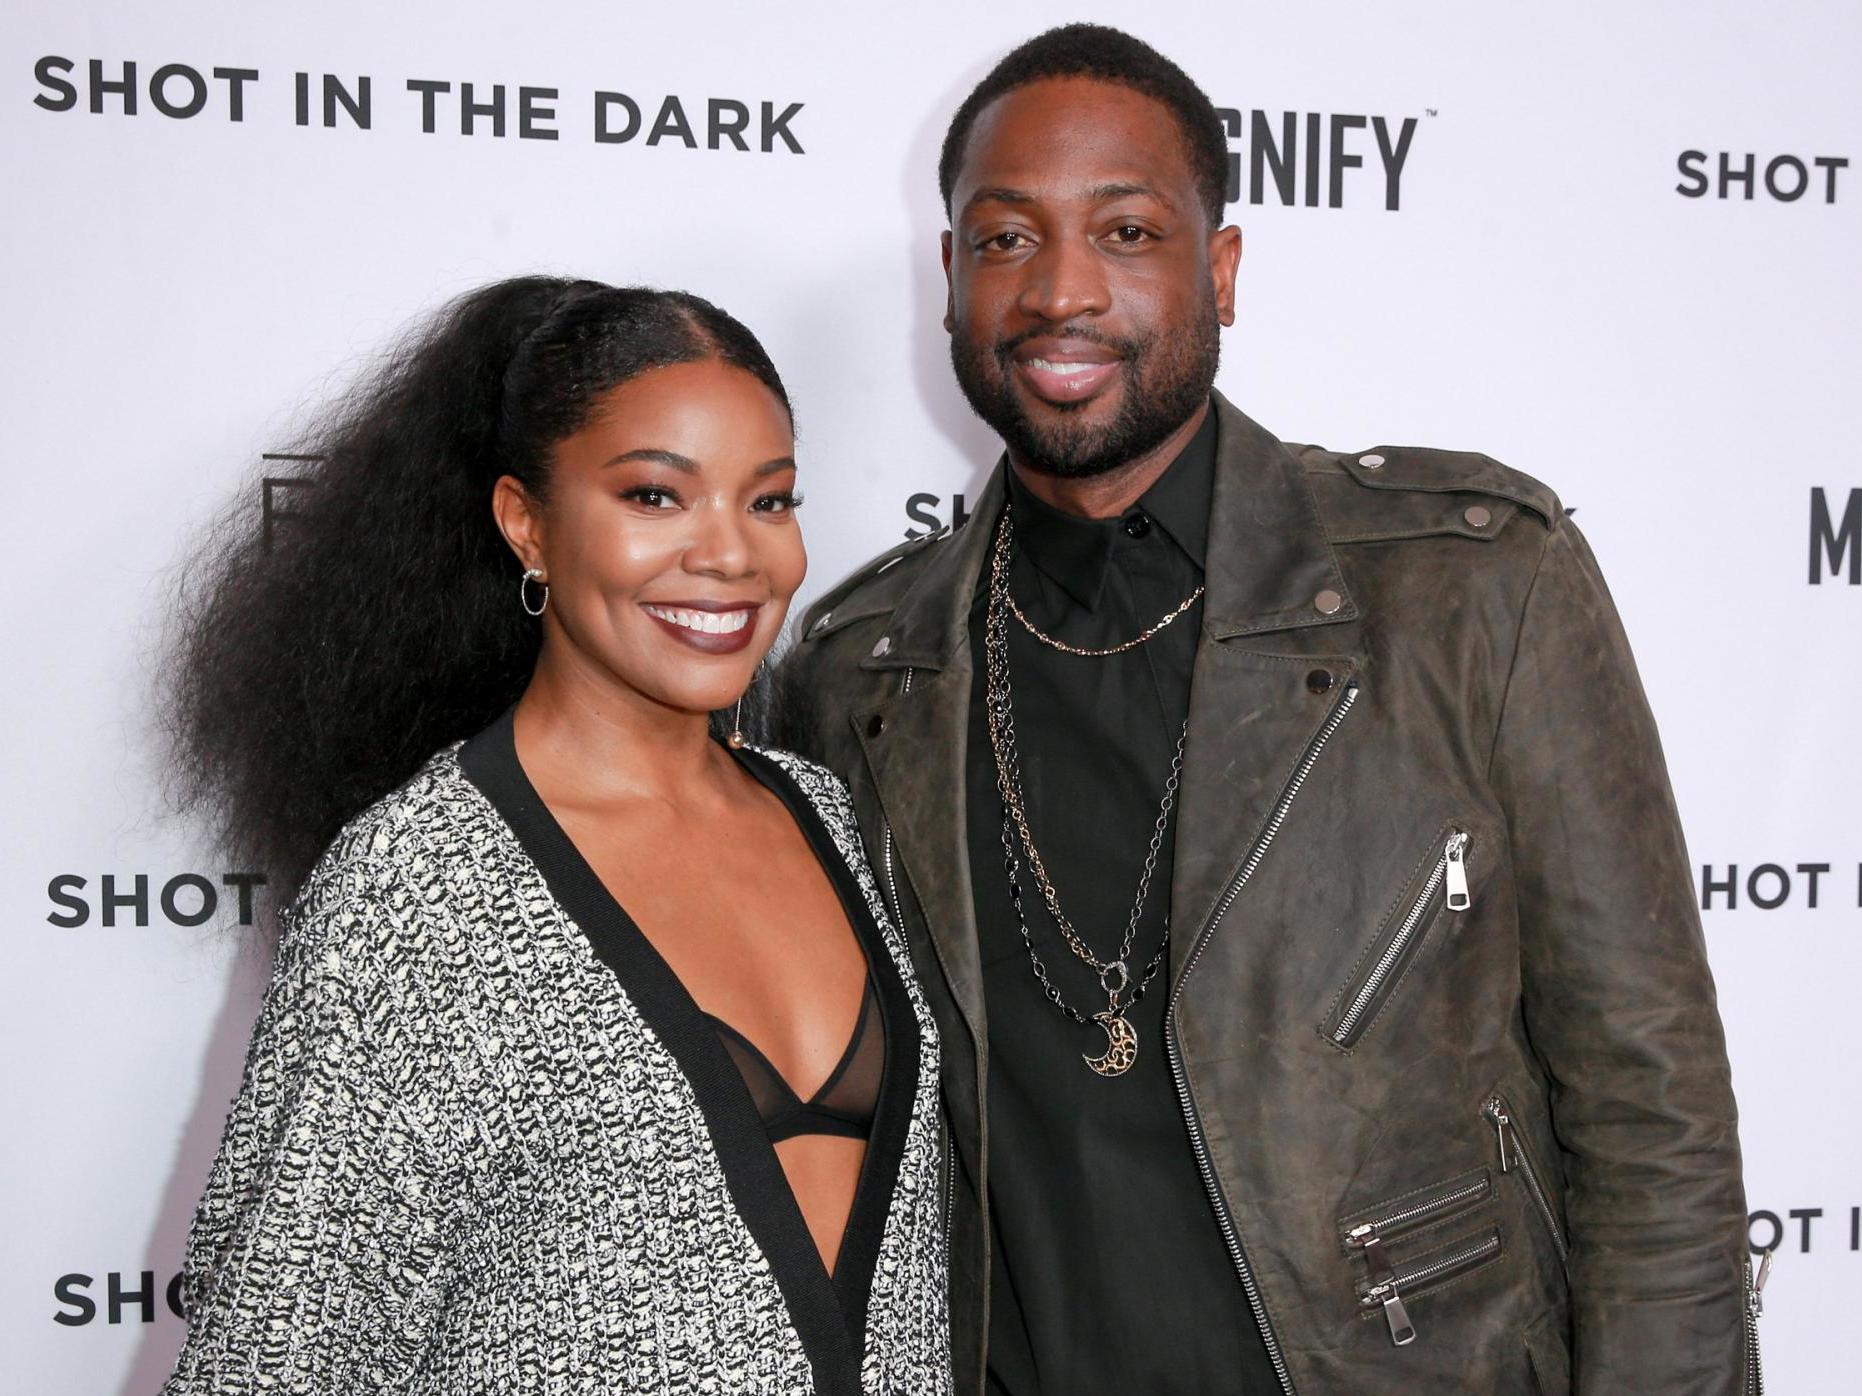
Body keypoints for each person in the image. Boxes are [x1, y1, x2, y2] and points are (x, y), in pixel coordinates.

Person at [777, 24, 1755, 1396]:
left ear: (1218, 272)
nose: (1060, 290)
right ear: (945, 281)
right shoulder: (861, 671)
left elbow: (1653, 1123)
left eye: (1124, 231)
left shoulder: (1471, 592)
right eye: (1004, 239)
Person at [159, 277, 949, 1395]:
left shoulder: (824, 812)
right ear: (525, 522)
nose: (732, 555)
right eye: (654, 497)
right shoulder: (418, 884)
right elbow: (278, 1355)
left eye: (767, 501)